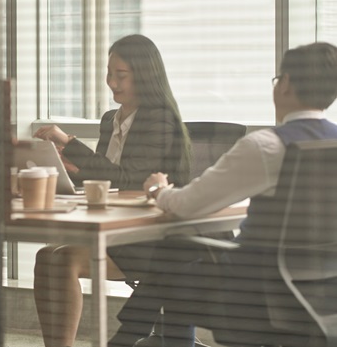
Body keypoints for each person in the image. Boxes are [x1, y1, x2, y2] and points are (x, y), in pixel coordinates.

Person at [112, 41, 337, 347]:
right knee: (177, 253)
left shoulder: (265, 146)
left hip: (255, 288)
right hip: (326, 285)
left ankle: (139, 340)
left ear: (284, 84)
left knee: (172, 259)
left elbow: (188, 205)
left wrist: (159, 190)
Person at [31, 34, 192, 347]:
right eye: (109, 74)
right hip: (117, 229)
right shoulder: (111, 120)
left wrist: (69, 142)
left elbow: (126, 179)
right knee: (46, 256)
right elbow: (102, 178)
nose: (112, 83)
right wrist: (65, 170)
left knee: (61, 260)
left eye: (121, 75)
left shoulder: (160, 119)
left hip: (152, 239)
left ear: (144, 75)